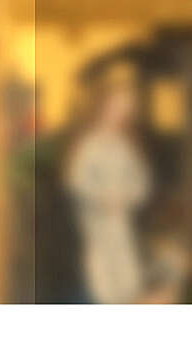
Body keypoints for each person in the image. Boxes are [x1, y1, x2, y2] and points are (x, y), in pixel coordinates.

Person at [64, 65, 152, 304]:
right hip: (96, 225)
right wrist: (101, 197)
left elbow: (142, 182)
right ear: (104, 107)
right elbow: (75, 181)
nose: (120, 113)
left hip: (121, 222)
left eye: (125, 109)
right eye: (117, 107)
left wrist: (126, 197)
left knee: (129, 280)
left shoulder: (126, 145)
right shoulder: (89, 143)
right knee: (103, 284)